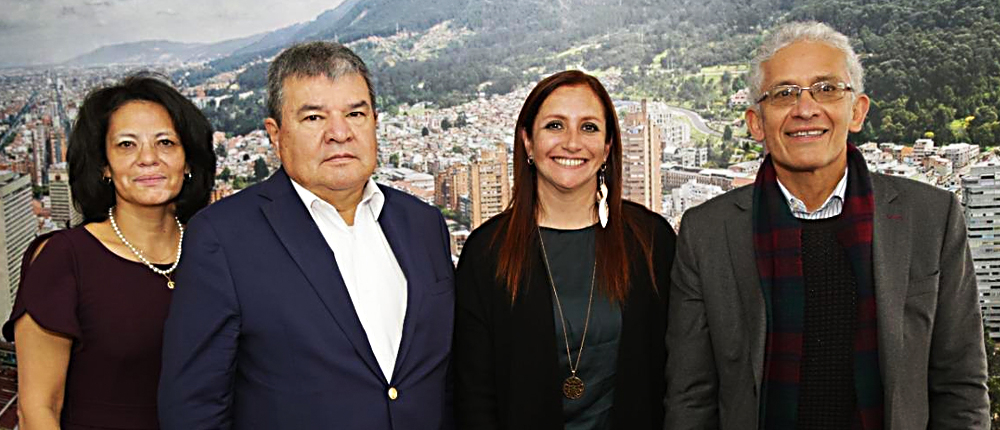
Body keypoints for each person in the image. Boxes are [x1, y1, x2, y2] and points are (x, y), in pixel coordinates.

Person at [665, 21, 989, 429]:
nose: (805, 108)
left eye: (827, 89)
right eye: (784, 93)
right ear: (756, 123)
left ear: (857, 111)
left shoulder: (930, 217)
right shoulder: (707, 233)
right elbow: (690, 398)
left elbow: (960, 387)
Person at [158, 41, 455, 429]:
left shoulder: (423, 224)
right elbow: (193, 409)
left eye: (355, 113)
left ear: (376, 122)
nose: (339, 133)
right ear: (275, 135)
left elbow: (445, 379)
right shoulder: (223, 238)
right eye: (314, 118)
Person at [453, 70, 676, 429]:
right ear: (527, 142)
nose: (572, 143)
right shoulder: (487, 253)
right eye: (555, 126)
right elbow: (473, 395)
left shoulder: (651, 241)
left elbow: (675, 375)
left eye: (589, 127)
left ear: (607, 148)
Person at [3, 74, 216, 430]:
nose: (148, 158)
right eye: (126, 145)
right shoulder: (64, 260)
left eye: (166, 142)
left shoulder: (215, 250)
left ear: (189, 161)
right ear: (103, 166)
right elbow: (38, 410)